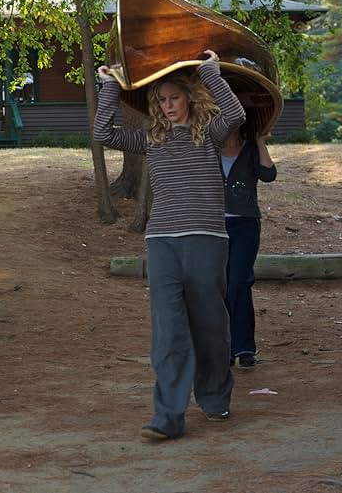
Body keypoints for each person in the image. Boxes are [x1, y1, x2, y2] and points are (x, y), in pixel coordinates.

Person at [93, 50, 246, 440]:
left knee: (210, 326)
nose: (167, 105)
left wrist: (211, 72)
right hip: (162, 241)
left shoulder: (209, 132)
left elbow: (236, 115)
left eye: (173, 98)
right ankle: (168, 415)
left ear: (188, 98)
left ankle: (213, 396)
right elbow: (103, 134)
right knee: (168, 328)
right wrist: (109, 86)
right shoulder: (150, 138)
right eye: (161, 100)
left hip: (206, 239)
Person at [221, 128, 276, 368]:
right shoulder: (207, 150)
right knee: (220, 284)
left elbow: (268, 175)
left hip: (245, 224)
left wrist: (260, 141)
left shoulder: (251, 150)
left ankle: (244, 348)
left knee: (239, 282)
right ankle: (225, 347)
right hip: (213, 226)